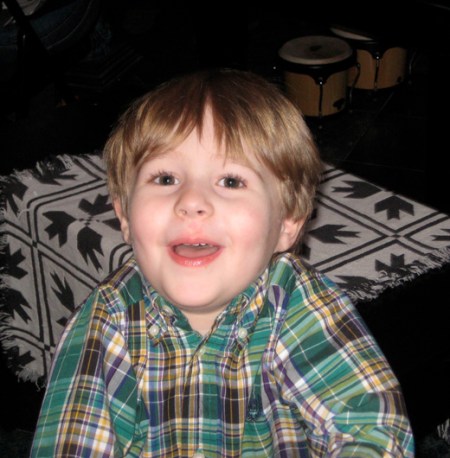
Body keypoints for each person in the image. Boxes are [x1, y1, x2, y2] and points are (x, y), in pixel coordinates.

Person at [30, 68, 415, 457]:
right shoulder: (108, 318)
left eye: (231, 181)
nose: (191, 202)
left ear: (287, 223)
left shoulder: (299, 303)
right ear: (124, 215)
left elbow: (372, 428)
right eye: (165, 179)